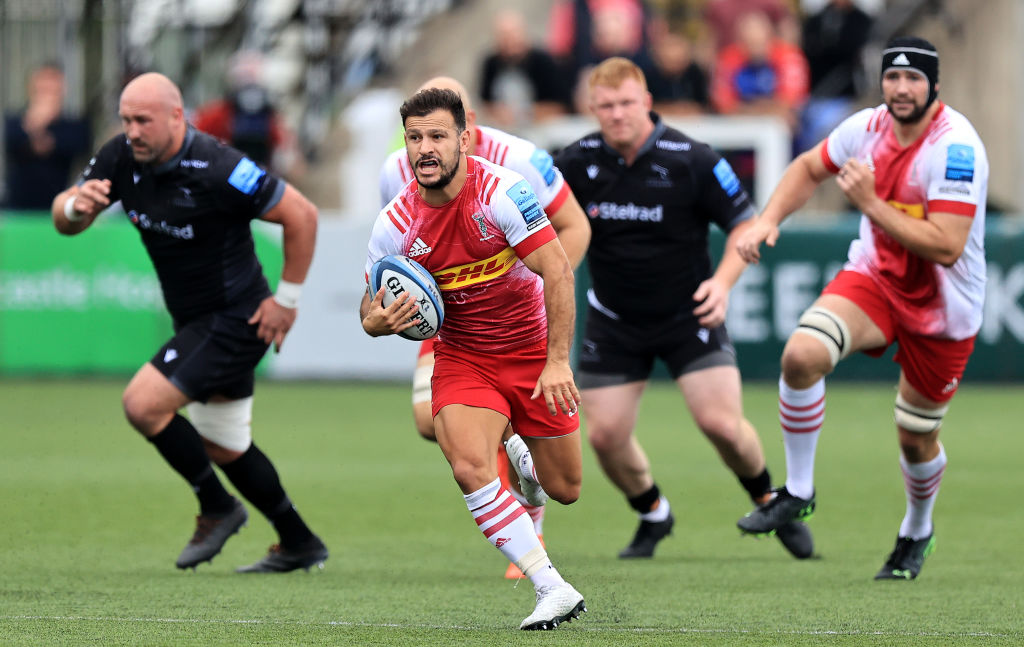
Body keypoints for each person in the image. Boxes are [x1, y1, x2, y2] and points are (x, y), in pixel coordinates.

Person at [51, 72, 327, 573]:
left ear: (177, 117)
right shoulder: (119, 157)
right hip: (196, 321)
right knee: (225, 444)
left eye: (143, 120)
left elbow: (302, 215)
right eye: (126, 119)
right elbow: (62, 218)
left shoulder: (220, 166)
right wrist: (75, 207)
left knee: (141, 404)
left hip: (237, 317)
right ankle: (299, 541)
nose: (132, 130)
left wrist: (287, 301)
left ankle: (218, 507)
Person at [734, 37, 988, 581]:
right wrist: (766, 219)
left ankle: (917, 529)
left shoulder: (955, 148)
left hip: (943, 304)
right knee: (801, 356)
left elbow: (946, 245)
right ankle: (798, 491)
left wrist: (870, 203)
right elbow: (808, 166)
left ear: (934, 86)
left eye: (913, 79)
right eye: (892, 78)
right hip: (875, 276)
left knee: (915, 439)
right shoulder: (865, 128)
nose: (900, 89)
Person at [553, 57, 811, 560]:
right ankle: (653, 512)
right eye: (606, 106)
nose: (617, 114)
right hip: (613, 318)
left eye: (627, 103)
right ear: (592, 109)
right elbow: (541, 226)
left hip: (689, 314)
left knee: (721, 425)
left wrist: (723, 284)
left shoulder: (693, 159)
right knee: (604, 437)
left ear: (647, 102)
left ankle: (767, 498)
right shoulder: (573, 163)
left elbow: (745, 226)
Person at [361, 88, 586, 630]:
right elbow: (368, 308)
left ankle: (528, 474)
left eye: (437, 136)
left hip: (531, 351)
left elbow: (557, 272)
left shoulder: (502, 193)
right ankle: (550, 586)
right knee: (467, 465)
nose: (424, 149)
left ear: (463, 138)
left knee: (566, 488)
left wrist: (557, 361)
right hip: (464, 357)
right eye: (415, 138)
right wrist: (379, 323)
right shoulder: (394, 224)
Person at [192, 51, 304, 182]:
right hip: (235, 180)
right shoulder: (219, 114)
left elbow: (290, 159)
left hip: (253, 180)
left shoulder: (269, 116)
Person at [4, 63, 90, 210]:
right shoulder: (14, 121)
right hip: (17, 208)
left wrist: (37, 131)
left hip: (58, 206)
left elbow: (76, 148)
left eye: (52, 88)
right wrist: (37, 123)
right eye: (43, 88)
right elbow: (13, 143)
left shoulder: (75, 125)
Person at [796, 0, 874, 153]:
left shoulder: (863, 21)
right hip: (813, 95)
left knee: (824, 128)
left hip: (844, 97)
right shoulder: (816, 20)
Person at [479, 9, 569, 131]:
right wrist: (499, 113)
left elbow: (559, 106)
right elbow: (485, 102)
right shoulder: (490, 63)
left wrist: (524, 114)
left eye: (512, 34)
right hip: (505, 129)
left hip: (541, 128)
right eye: (503, 35)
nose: (508, 40)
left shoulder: (543, 61)